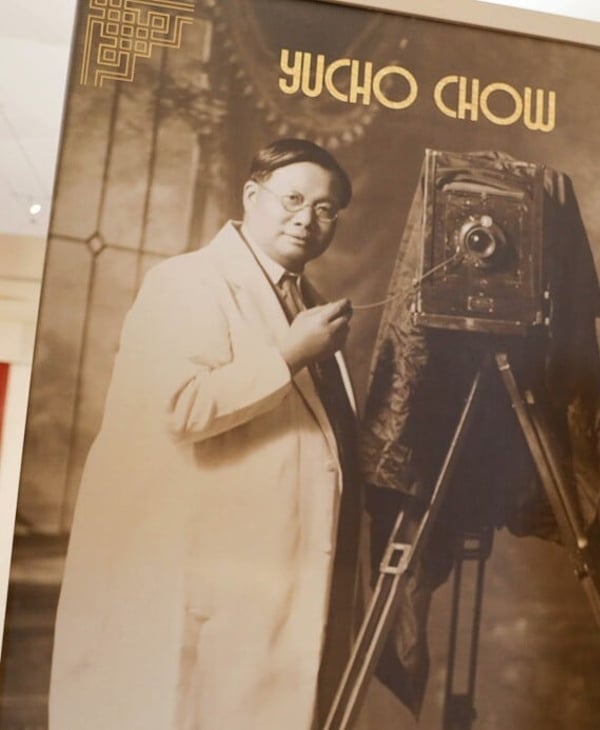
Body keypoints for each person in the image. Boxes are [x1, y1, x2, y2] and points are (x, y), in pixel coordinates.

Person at [49, 138, 362, 730]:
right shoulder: (188, 282)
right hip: (197, 569)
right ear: (251, 196)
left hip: (262, 574)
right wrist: (289, 355)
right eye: (292, 197)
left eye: (326, 209)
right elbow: (181, 406)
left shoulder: (307, 303)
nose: (307, 217)